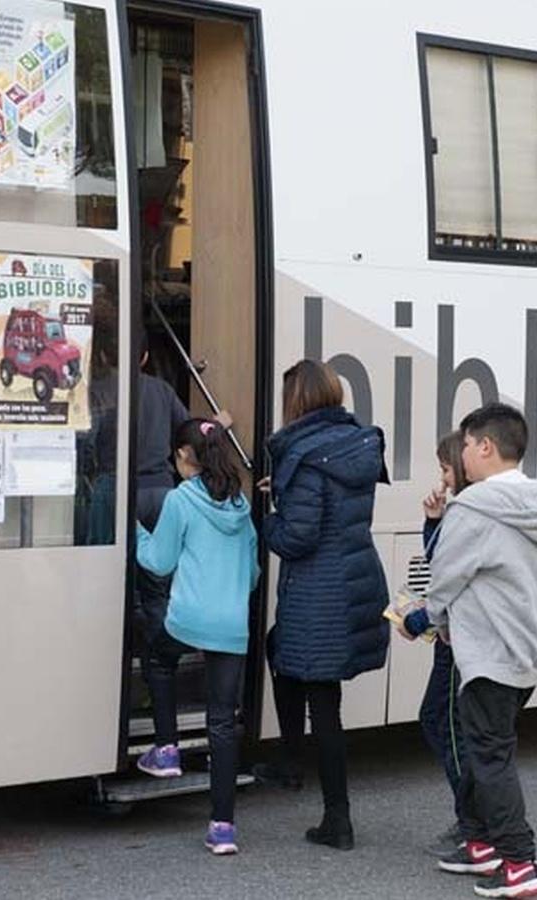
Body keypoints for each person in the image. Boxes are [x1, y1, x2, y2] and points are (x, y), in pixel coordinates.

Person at [425, 403, 537, 899]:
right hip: (530, 649)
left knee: (490, 757)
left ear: (485, 447)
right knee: (487, 748)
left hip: (489, 654)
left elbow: (445, 576)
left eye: (465, 445)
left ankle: (520, 863)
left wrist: (430, 619)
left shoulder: (473, 509)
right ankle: (480, 843)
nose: (461, 455)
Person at [253, 359, 389, 851]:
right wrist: (285, 490)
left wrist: (267, 517)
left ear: (296, 401)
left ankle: (338, 819)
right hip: (351, 579)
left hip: (320, 590)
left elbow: (298, 537)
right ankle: (291, 763)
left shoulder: (306, 455)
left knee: (324, 703)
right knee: (281, 652)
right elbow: (330, 507)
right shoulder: (354, 443)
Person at [135, 419, 259, 855]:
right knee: (221, 723)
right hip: (231, 624)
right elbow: (253, 573)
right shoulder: (241, 503)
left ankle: (167, 748)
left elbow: (159, 561)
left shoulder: (181, 499)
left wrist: (135, 532)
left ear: (186, 456)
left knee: (158, 659)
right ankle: (223, 828)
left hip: (187, 619)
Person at [131, 330, 232, 779]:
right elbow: (190, 430)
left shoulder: (100, 390)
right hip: (159, 490)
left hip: (123, 494)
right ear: (146, 356)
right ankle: (158, 640)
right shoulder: (160, 389)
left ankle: (148, 656)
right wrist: (219, 423)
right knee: (156, 593)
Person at [397, 432, 473, 857]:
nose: (442, 478)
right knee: (443, 721)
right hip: (453, 636)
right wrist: (433, 521)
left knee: (448, 725)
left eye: (445, 469)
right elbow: (440, 561)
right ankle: (472, 817)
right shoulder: (459, 511)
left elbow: (451, 578)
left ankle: (473, 823)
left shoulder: (472, 512)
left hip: (460, 638)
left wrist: (419, 619)